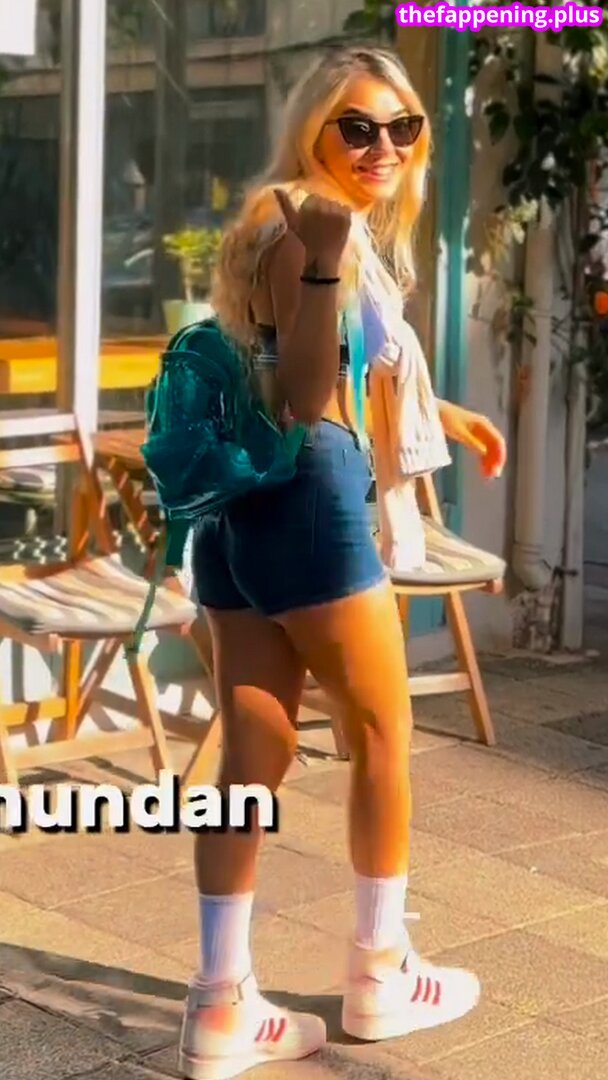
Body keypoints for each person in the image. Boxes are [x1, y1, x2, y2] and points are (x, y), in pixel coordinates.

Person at [178, 45, 506, 1080]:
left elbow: (312, 363)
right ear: (314, 129)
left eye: (403, 127)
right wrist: (323, 263)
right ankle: (380, 974)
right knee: (381, 736)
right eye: (357, 127)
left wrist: (444, 413)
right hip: (309, 499)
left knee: (251, 757)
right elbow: (307, 393)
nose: (383, 146)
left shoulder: (278, 218)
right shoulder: (307, 227)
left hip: (241, 511)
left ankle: (220, 1005)